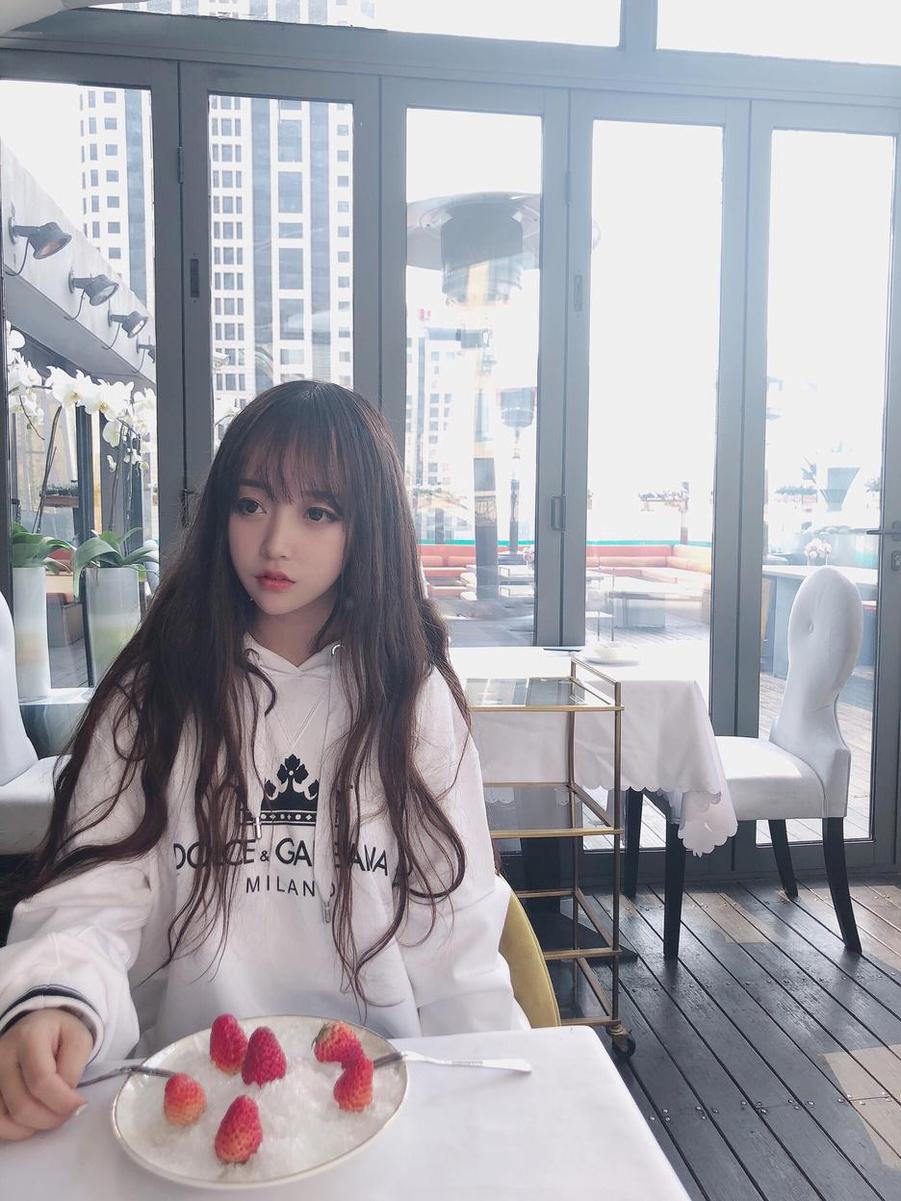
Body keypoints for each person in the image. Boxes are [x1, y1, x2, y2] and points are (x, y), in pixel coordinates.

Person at [0, 381, 526, 1142]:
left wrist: (497, 1113)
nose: (275, 541)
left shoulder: (411, 698)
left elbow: (454, 931)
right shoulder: (156, 692)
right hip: (182, 1109)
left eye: (318, 512)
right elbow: (93, 895)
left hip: (382, 1104)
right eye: (251, 504)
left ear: (367, 528)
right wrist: (56, 998)